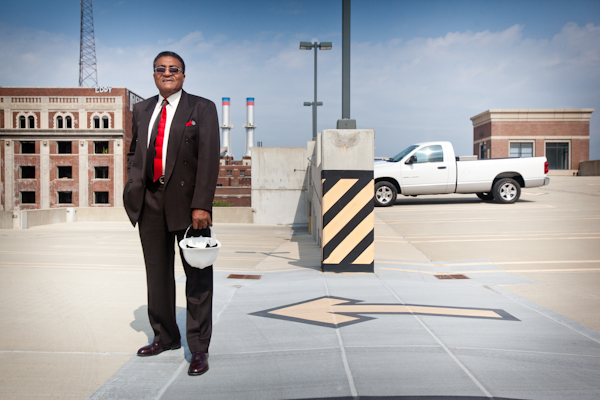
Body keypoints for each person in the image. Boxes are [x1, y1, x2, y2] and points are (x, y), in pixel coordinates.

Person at [123, 51, 220, 376]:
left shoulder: (201, 108)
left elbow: (208, 159)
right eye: (161, 69)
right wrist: (131, 186)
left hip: (189, 204)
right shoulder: (142, 109)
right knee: (158, 275)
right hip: (149, 201)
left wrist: (202, 204)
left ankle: (198, 349)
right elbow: (135, 151)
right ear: (153, 75)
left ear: (183, 75)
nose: (167, 73)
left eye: (173, 69)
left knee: (197, 277)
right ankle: (165, 336)